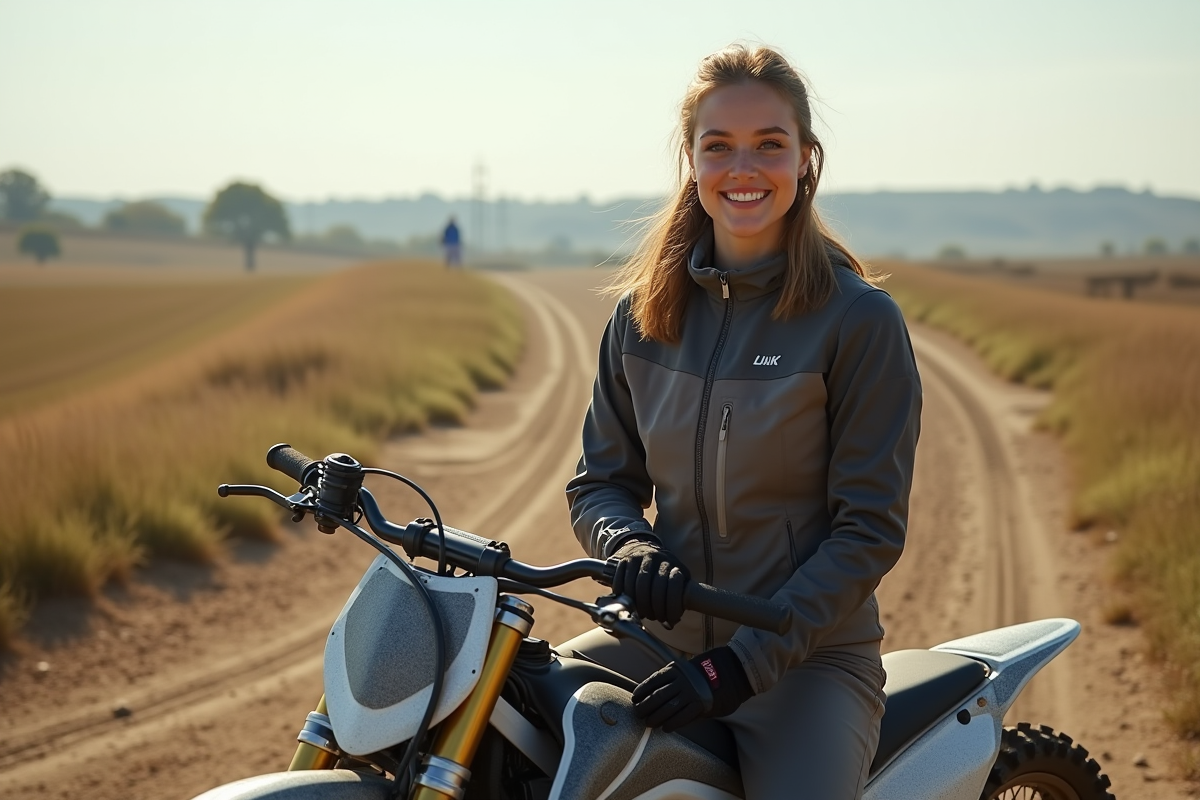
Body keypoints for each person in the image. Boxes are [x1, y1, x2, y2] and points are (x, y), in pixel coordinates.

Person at [561, 44, 921, 799]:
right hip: (657, 642)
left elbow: (868, 533)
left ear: (806, 160)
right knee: (521, 729)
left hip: (805, 662)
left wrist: (740, 664)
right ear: (691, 162)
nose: (743, 167)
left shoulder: (858, 321)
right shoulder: (640, 316)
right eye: (718, 146)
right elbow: (599, 483)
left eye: (770, 145)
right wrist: (629, 544)